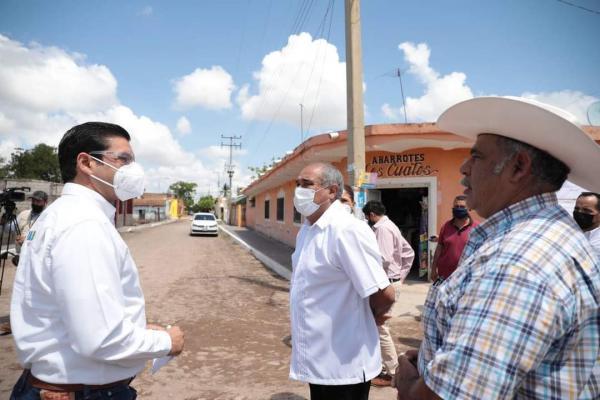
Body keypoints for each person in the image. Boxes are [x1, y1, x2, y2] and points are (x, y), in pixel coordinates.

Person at [394, 96, 600, 399]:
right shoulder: (542, 235)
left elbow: (456, 395)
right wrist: (430, 359)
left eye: (476, 156)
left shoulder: (518, 261)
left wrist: (410, 386)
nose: (464, 167)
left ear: (518, 167)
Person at [10, 122, 185, 400]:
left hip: (65, 386)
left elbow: (76, 315)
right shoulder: (84, 224)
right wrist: (166, 341)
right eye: (123, 159)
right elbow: (100, 339)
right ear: (86, 163)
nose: (132, 169)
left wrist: (137, 330)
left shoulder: (62, 215)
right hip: (82, 392)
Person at [290, 162, 395, 400]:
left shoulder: (347, 230)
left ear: (332, 191)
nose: (299, 190)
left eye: (307, 184)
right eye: (297, 184)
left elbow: (384, 293)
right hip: (318, 361)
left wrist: (372, 316)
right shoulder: (307, 229)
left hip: (345, 365)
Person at [362, 200, 414, 387]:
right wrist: (401, 276)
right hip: (390, 281)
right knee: (377, 326)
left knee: (380, 328)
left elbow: (383, 259)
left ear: (371, 215)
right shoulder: (391, 226)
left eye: (367, 217)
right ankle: (384, 366)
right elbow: (408, 253)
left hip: (384, 283)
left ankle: (393, 371)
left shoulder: (382, 229)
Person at [429, 195, 478, 282]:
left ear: (469, 208)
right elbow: (439, 249)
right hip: (444, 276)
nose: (459, 209)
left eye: (462, 207)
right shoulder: (445, 226)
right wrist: (433, 269)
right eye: (456, 206)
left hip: (466, 277)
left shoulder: (477, 228)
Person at [13, 190, 49, 266]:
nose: (35, 203)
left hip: (37, 259)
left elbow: (47, 240)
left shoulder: (48, 217)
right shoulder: (24, 214)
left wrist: (26, 241)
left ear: (45, 202)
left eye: (38, 201)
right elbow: (11, 228)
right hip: (21, 256)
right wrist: (4, 222)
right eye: (33, 200)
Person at [573, 191, 600, 257]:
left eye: (586, 210)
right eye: (577, 209)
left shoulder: (596, 243)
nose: (579, 212)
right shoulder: (568, 229)